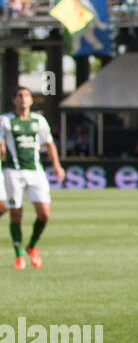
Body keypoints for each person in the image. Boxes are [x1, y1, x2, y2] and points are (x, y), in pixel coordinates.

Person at [1, 88, 65, 270]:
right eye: (20, 96)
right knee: (16, 213)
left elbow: (49, 144)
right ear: (14, 100)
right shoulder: (5, 121)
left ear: (31, 100)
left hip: (36, 171)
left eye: (26, 96)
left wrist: (57, 165)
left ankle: (32, 245)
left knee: (44, 213)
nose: (23, 99)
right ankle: (19, 254)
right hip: (13, 172)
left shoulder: (39, 120)